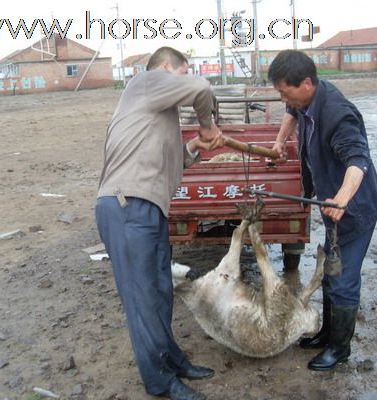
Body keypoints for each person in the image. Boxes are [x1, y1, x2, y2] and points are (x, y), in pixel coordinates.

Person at [95, 46, 224, 400]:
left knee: (161, 292)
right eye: (182, 72)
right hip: (125, 206)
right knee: (142, 298)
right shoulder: (147, 82)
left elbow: (174, 165)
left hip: (148, 208)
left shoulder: (156, 112)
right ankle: (159, 381)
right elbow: (201, 88)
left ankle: (173, 360)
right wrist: (207, 124)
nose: (181, 80)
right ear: (167, 67)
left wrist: (198, 143)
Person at [268, 50, 377, 371]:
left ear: (306, 83)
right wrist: (280, 141)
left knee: (343, 278)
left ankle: (340, 349)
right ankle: (327, 333)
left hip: (354, 209)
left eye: (284, 91)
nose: (282, 99)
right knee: (330, 273)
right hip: (332, 206)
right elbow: (291, 111)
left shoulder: (337, 113)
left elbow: (358, 159)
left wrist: (342, 197)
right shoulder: (306, 98)